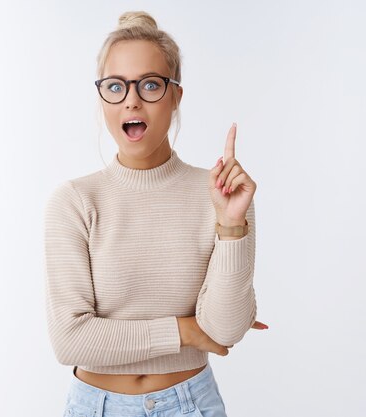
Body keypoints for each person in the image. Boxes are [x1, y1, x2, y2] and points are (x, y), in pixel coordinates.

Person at [43, 10, 269, 417]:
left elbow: (224, 331)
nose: (131, 99)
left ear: (175, 96)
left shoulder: (221, 195)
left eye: (150, 85)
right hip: (96, 406)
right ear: (103, 98)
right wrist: (184, 331)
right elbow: (70, 339)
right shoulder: (74, 201)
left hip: (191, 404)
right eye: (116, 86)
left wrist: (231, 224)